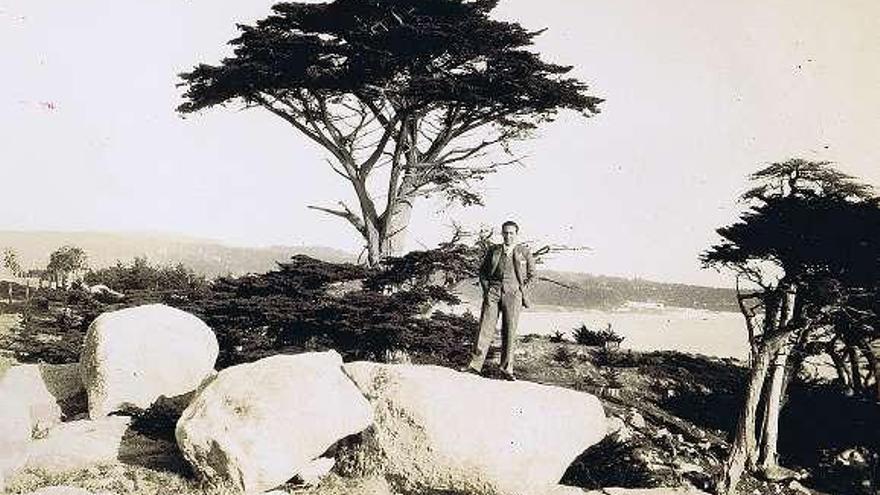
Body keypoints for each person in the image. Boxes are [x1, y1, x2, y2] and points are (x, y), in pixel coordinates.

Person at [463, 220, 536, 380]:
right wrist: (487, 289)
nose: (508, 236)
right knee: (485, 327)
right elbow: (482, 272)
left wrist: (521, 290)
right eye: (505, 232)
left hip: (513, 294)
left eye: (511, 233)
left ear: (516, 234)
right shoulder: (494, 250)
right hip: (493, 292)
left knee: (509, 330)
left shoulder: (524, 252)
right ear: (502, 233)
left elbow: (532, 275)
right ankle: (475, 366)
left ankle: (506, 369)